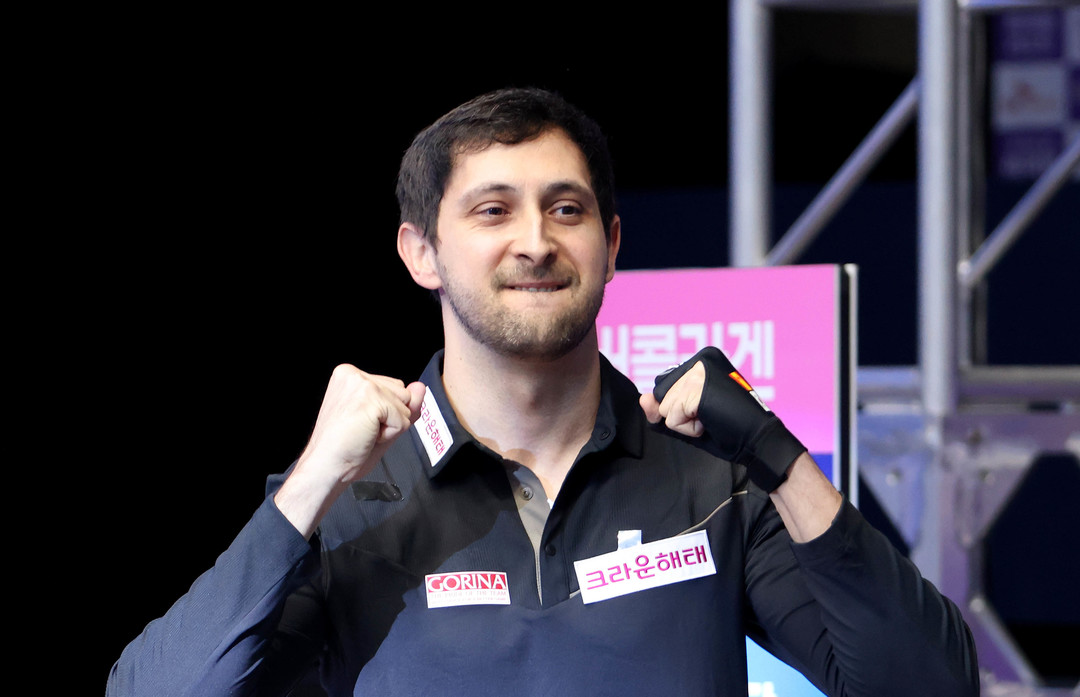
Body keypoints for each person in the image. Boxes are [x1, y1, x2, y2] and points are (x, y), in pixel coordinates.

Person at [107, 86, 979, 696]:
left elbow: (930, 685)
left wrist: (778, 456)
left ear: (612, 243)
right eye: (493, 210)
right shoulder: (351, 498)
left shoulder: (717, 480)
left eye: (566, 208)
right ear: (420, 253)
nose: (535, 240)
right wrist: (306, 487)